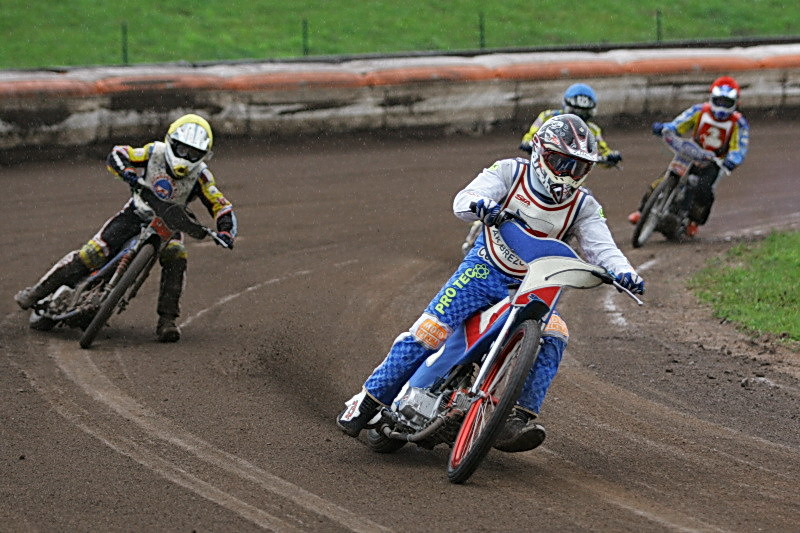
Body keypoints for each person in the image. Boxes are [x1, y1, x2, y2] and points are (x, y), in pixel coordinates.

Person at [337, 114, 644, 452]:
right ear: (541, 153)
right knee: (430, 331)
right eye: (562, 163)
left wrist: (625, 273)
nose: (569, 175)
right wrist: (481, 205)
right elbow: (464, 199)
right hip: (483, 270)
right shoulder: (510, 171)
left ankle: (516, 418)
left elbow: (603, 248)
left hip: (532, 284)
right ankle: (368, 400)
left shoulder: (585, 205)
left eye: (579, 168)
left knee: (556, 332)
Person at [14, 113, 237, 342]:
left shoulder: (202, 176)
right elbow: (120, 153)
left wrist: (226, 230)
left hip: (169, 226)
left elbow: (220, 204)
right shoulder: (153, 152)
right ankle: (36, 292)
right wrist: (126, 171)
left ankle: (167, 321)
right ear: (171, 142)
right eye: (182, 150)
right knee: (93, 252)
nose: (185, 157)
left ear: (204, 155)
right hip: (135, 214)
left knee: (176, 257)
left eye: (193, 153)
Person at [462, 82, 621, 254]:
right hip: (538, 170)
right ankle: (476, 231)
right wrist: (528, 143)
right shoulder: (548, 117)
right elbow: (532, 134)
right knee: (505, 196)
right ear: (566, 106)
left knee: (581, 202)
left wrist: (610, 156)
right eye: (575, 111)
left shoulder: (593, 130)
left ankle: (563, 242)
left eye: (583, 112)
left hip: (570, 178)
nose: (579, 116)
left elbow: (601, 151)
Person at [627, 76, 749, 236]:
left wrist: (732, 160)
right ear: (711, 98)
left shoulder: (738, 123)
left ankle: (693, 221)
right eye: (718, 101)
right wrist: (664, 128)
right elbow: (679, 123)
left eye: (726, 103)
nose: (721, 107)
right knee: (665, 177)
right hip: (690, 153)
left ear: (736, 103)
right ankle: (642, 211)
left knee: (703, 190)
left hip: (714, 161)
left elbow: (740, 146)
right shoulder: (699, 111)